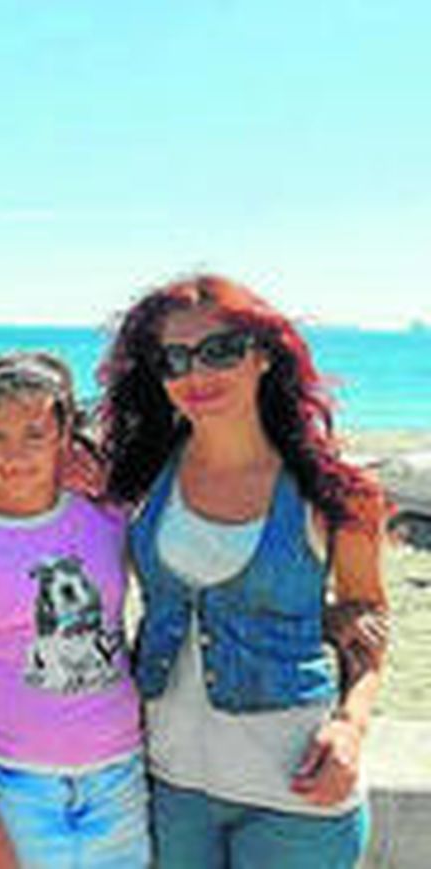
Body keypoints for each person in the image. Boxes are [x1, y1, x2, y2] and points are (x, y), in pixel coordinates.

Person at [98, 274, 388, 868]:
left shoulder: (335, 493)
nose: (196, 375)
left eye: (220, 351)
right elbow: (22, 466)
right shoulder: (141, 477)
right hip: (170, 787)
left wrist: (351, 727)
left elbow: (370, 624)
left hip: (296, 793)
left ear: (262, 355)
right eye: (173, 360)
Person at [0, 352, 149, 868]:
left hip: (120, 778)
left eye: (35, 434)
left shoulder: (109, 517)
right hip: (12, 785)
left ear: (64, 437)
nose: (14, 453)